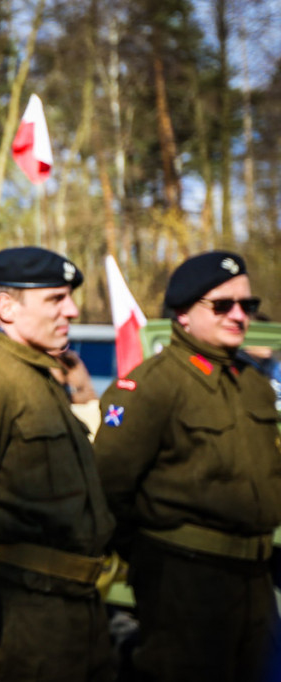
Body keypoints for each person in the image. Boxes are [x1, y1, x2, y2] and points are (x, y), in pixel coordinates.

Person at [93, 250, 281, 682]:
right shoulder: (152, 385)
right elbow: (108, 486)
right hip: (185, 583)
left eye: (246, 305)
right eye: (222, 305)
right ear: (182, 314)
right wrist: (150, 558)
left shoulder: (254, 385)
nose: (239, 315)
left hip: (255, 580)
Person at [0, 246, 116, 682]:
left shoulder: (40, 376)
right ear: (6, 306)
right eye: (56, 299)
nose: (73, 310)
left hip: (76, 613)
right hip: (22, 623)